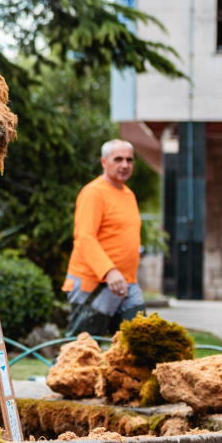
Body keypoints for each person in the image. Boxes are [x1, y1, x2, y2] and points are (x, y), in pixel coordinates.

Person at [64, 139, 147, 336]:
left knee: (141, 344)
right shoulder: (94, 193)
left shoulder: (129, 195)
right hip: (94, 284)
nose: (125, 165)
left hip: (128, 285)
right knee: (81, 351)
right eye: (118, 159)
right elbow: (85, 237)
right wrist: (109, 271)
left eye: (129, 160)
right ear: (104, 162)